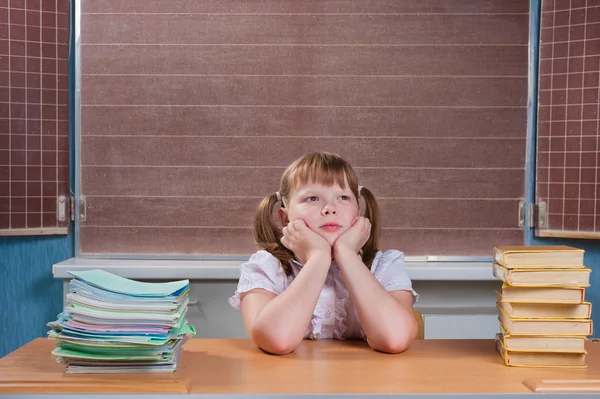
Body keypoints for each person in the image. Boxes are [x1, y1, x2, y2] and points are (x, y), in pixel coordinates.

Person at [229, 152, 419, 355]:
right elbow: (277, 340)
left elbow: (394, 339)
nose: (330, 208)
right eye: (312, 198)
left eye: (343, 197)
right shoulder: (266, 267)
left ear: (357, 212)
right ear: (285, 219)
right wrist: (318, 257)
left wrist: (346, 253)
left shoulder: (384, 266)